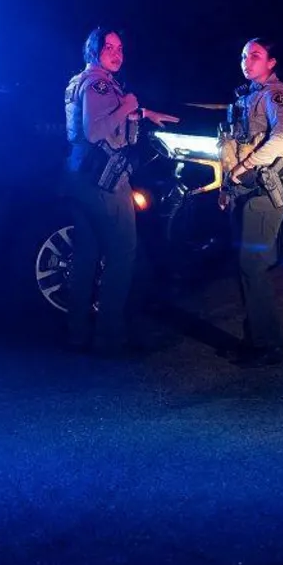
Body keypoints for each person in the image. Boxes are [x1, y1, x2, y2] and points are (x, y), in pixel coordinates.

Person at [61, 27, 178, 355]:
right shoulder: (99, 83)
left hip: (79, 177)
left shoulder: (81, 81)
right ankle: (110, 337)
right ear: (94, 50)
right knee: (122, 254)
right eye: (109, 47)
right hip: (105, 182)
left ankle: (77, 333)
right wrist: (128, 105)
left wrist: (142, 113)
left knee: (86, 255)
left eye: (120, 48)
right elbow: (96, 128)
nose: (117, 53)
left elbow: (98, 117)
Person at [218, 37, 283, 367]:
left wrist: (242, 168)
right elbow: (234, 144)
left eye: (256, 56)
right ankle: (256, 340)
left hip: (265, 190)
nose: (247, 61)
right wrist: (229, 185)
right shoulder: (248, 96)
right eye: (243, 56)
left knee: (252, 267)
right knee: (246, 267)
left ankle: (271, 346)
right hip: (246, 190)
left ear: (272, 62)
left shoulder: (273, 94)